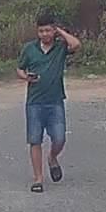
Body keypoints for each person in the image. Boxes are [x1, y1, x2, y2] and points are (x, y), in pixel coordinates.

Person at [17, 11, 82, 193]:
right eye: (41, 31)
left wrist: (60, 31)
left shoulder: (60, 48)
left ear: (53, 31)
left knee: (59, 138)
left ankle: (52, 157)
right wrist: (26, 77)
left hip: (55, 101)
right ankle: (38, 178)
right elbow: (19, 69)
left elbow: (76, 45)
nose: (44, 34)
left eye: (48, 30)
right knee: (35, 140)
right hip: (34, 102)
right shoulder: (29, 49)